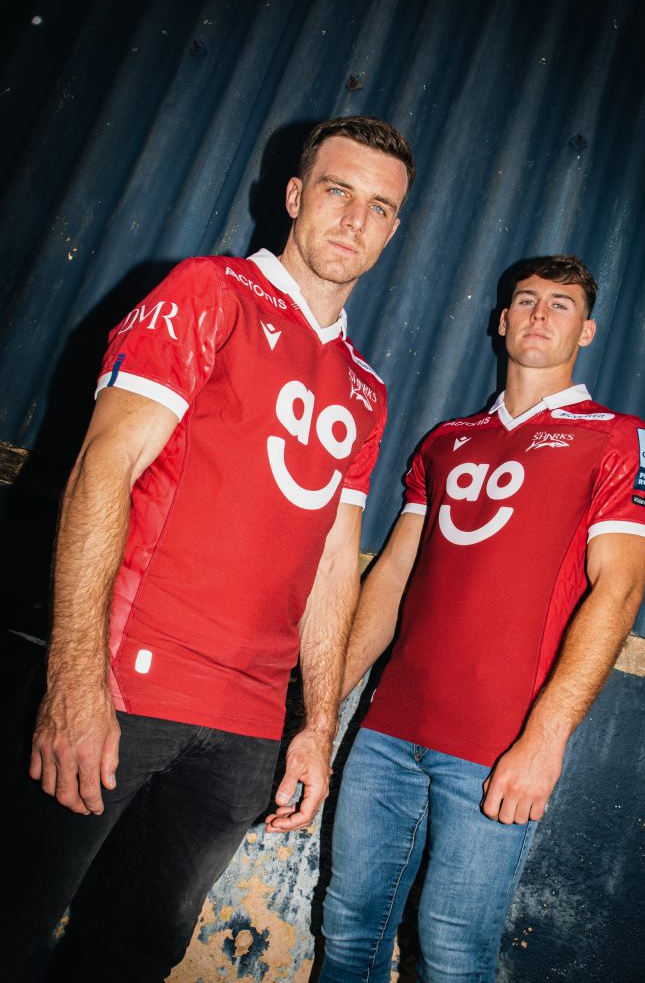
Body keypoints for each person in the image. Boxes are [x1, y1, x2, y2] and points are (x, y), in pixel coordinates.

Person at [0, 115, 414, 981]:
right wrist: (75, 679)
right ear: (294, 196)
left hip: (246, 731)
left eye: (379, 208)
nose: (354, 219)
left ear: (392, 229)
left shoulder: (366, 390)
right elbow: (102, 470)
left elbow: (334, 564)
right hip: (126, 688)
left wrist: (316, 728)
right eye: (337, 191)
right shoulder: (209, 291)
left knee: (135, 954)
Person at [318, 255, 645, 983]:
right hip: (384, 738)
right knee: (346, 937)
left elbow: (620, 592)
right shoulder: (446, 441)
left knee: (451, 958)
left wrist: (544, 739)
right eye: (526, 300)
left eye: (561, 304)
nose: (539, 314)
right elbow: (392, 578)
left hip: (496, 748)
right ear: (502, 321)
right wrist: (321, 716)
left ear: (587, 330)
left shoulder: (615, 437)